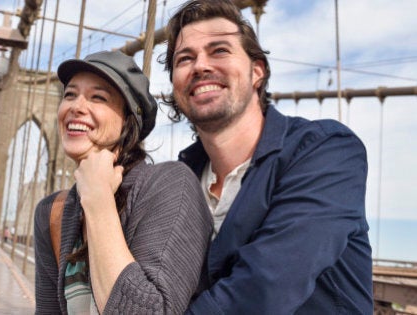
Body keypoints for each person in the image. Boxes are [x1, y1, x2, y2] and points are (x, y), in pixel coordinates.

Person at [161, 0, 373, 314]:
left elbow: (264, 290)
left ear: (257, 71)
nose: (200, 66)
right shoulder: (178, 181)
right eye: (185, 58)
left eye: (219, 50)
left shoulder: (326, 152)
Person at [34, 50, 213, 314]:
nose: (76, 107)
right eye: (70, 94)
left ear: (129, 120)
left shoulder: (171, 185)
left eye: (98, 97)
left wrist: (98, 201)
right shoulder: (53, 213)